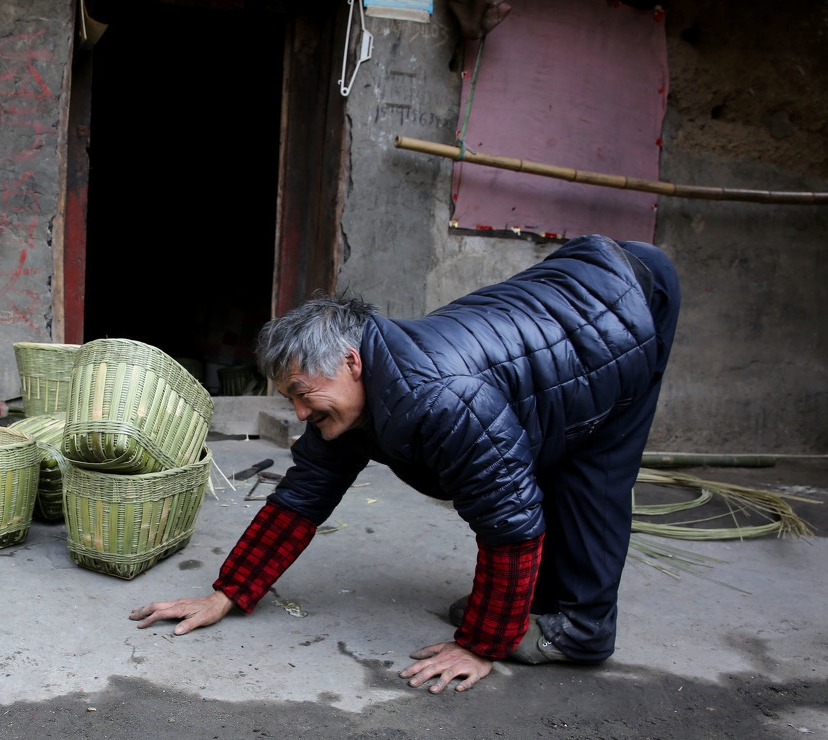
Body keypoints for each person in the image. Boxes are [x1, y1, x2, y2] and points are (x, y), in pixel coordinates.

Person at [130, 234, 681, 693]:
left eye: (302, 394)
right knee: (532, 461)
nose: (299, 412)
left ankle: (580, 628)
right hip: (567, 298)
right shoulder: (347, 397)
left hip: (624, 308)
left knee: (589, 472)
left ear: (350, 361)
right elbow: (302, 495)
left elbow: (510, 522)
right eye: (289, 400)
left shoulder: (442, 401)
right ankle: (528, 604)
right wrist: (228, 591)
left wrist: (482, 642)